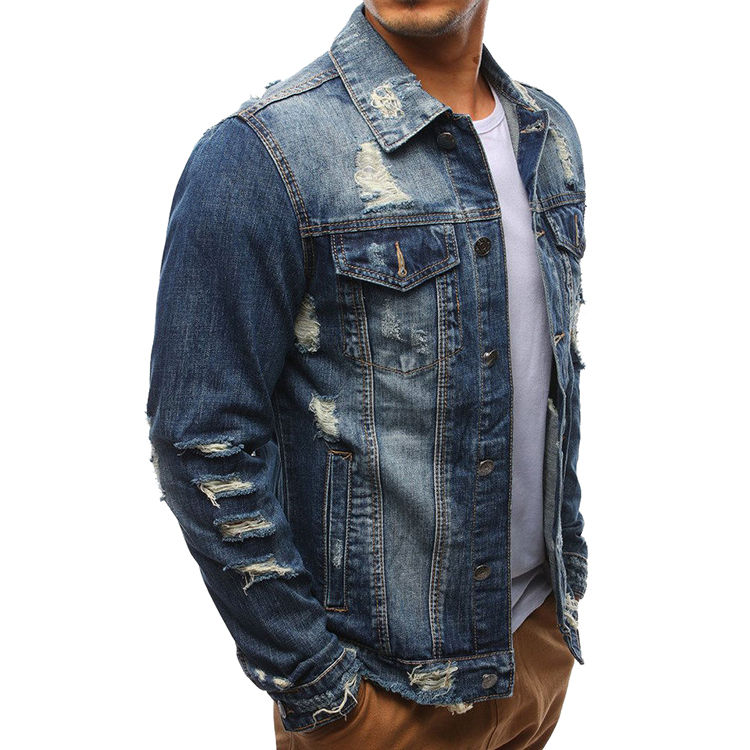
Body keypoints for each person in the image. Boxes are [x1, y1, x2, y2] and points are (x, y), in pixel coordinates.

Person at [146, 2, 589, 747]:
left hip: (534, 653)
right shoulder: (263, 153)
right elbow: (200, 439)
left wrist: (561, 596)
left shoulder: (548, 137)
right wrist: (324, 689)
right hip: (382, 695)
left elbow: (551, 383)